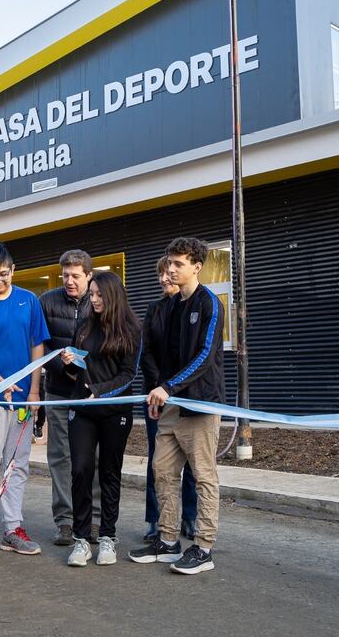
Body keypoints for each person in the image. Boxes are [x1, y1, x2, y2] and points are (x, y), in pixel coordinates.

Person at [129, 238, 225, 575]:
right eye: (169, 262)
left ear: (196, 266)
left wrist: (167, 387)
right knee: (163, 472)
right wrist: (158, 391)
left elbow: (205, 356)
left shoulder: (210, 303)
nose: (170, 269)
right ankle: (167, 541)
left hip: (199, 404)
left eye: (178, 264)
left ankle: (204, 548)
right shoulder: (167, 307)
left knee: (203, 477)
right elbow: (158, 354)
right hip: (169, 406)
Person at [0, 241, 50, 562]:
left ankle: (12, 528)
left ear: (13, 269)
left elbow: (36, 347)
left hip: (23, 400)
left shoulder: (29, 301)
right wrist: (0, 383)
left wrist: (33, 391)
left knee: (17, 463)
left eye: (3, 274)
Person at [60, 271, 141, 567]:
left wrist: (99, 391)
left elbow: (128, 376)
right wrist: (68, 364)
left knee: (109, 472)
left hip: (114, 413)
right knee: (80, 469)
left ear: (113, 296)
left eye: (98, 295)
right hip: (81, 411)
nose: (93, 300)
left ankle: (107, 537)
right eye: (91, 294)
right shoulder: (83, 326)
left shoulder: (132, 330)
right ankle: (81, 540)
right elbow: (75, 371)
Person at [39, 249, 101, 546]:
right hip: (59, 391)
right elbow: (40, 346)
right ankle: (65, 521)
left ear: (89, 275)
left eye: (76, 276)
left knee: (93, 457)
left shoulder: (103, 299)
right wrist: (61, 366)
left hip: (92, 394)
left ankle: (95, 519)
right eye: (65, 275)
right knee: (61, 457)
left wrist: (88, 375)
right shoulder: (47, 301)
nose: (69, 281)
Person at [141, 256, 198, 542]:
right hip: (157, 396)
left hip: (187, 395)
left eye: (169, 272)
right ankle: (156, 520)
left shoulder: (194, 307)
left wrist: (177, 385)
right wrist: (158, 386)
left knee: (190, 459)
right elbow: (147, 351)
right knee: (158, 462)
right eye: (161, 273)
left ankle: (190, 517)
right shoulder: (154, 309)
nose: (165, 278)